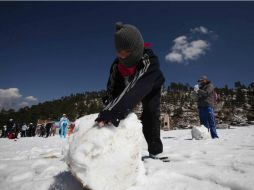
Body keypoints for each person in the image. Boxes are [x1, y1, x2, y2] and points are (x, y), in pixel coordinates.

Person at [95, 22, 165, 158]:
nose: (123, 57)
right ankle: (114, 150)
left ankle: (155, 151)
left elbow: (139, 86)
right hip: (128, 86)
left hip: (151, 84)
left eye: (127, 53)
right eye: (120, 53)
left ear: (136, 49)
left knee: (151, 113)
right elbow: (113, 86)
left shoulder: (149, 60)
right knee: (118, 114)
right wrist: (109, 106)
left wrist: (113, 111)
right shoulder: (117, 65)